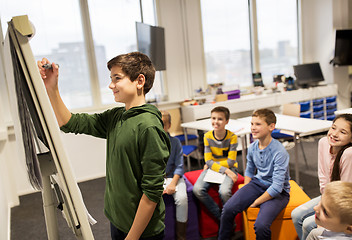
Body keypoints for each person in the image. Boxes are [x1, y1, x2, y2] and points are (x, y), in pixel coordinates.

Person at [37, 52, 171, 240]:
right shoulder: (116, 117)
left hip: (141, 231)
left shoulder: (149, 127)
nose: (110, 85)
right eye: (111, 79)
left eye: (117, 78)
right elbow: (69, 123)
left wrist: (132, 237)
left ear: (139, 81)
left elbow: (151, 193)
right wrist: (52, 89)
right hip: (119, 220)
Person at [218, 108, 290, 240]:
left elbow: (277, 187)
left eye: (258, 124)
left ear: (271, 127)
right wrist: (246, 189)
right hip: (258, 184)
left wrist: (255, 202)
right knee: (228, 209)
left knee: (261, 225)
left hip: (278, 193)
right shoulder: (252, 147)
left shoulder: (280, 152)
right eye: (252, 124)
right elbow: (250, 171)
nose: (253, 128)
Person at [291, 114, 352, 240]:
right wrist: (323, 203)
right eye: (333, 128)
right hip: (328, 195)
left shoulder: (350, 154)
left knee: (308, 224)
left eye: (342, 132)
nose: (334, 134)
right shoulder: (323, 142)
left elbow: (345, 192)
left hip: (345, 202)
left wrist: (324, 219)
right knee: (296, 215)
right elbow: (322, 176)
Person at [192, 106, 238, 222]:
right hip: (224, 169)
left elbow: (231, 162)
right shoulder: (207, 136)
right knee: (197, 190)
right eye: (213, 118)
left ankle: (228, 219)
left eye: (220, 119)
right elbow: (207, 161)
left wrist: (213, 164)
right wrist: (225, 170)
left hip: (229, 167)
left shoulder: (232, 137)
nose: (216, 122)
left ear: (227, 121)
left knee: (224, 192)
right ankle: (221, 217)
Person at [161, 111, 188, 240]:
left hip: (174, 177)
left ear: (169, 125)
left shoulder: (175, 142)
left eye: (163, 124)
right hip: (157, 179)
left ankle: (181, 236)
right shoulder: (149, 143)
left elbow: (179, 166)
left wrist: (172, 183)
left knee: (182, 199)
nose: (159, 127)